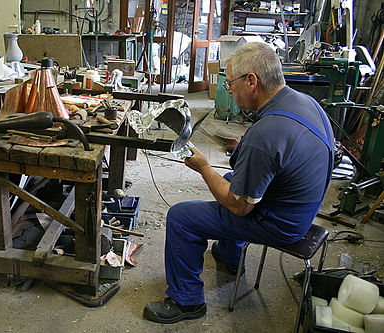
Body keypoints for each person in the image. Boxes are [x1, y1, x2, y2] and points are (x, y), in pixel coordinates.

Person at [143, 42, 334, 324]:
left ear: (252, 81)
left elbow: (238, 205)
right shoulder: (304, 102)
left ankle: (187, 301)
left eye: (230, 82)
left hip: (283, 223)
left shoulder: (267, 135)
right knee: (233, 178)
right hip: (301, 203)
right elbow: (282, 152)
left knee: (182, 217)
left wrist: (203, 167)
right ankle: (231, 258)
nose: (228, 90)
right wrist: (243, 148)